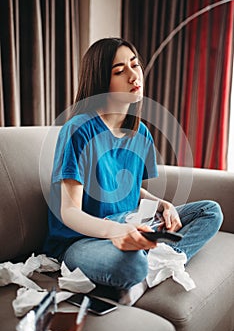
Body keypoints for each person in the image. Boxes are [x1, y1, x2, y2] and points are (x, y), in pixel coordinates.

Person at [43, 38, 223, 292]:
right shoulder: (78, 129)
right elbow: (69, 211)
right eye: (119, 71)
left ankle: (149, 261)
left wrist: (162, 204)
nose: (133, 75)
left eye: (135, 65)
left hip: (128, 221)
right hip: (82, 241)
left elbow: (129, 189)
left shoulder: (140, 134)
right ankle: (151, 266)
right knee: (131, 267)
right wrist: (116, 231)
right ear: (101, 81)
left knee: (210, 212)